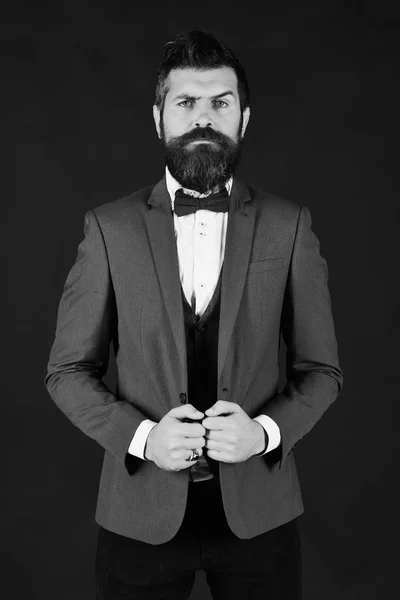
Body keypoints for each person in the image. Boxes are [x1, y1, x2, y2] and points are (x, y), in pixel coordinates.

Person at [45, 30, 343, 600]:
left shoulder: (290, 225)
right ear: (159, 118)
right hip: (140, 518)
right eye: (186, 103)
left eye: (220, 103)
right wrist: (142, 437)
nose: (203, 118)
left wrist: (263, 433)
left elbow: (321, 371)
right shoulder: (109, 229)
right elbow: (66, 373)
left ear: (244, 119)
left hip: (261, 516)